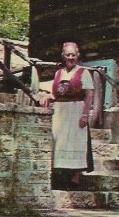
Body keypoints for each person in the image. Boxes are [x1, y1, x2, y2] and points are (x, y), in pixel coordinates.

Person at [40, 42, 94, 188]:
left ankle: (74, 179)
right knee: (59, 141)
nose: (71, 57)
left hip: (76, 110)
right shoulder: (59, 73)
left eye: (73, 55)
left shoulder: (84, 72)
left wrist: (85, 115)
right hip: (60, 111)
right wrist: (47, 97)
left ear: (78, 56)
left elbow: (89, 94)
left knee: (76, 141)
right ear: (63, 56)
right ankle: (60, 176)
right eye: (68, 55)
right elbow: (56, 93)